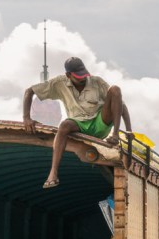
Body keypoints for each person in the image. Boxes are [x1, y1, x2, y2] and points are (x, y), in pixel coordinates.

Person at [22, 56, 132, 189]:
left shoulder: (97, 82)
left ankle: (114, 135)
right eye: (78, 77)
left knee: (115, 89)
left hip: (100, 122)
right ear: (68, 75)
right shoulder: (59, 83)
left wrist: (128, 130)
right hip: (78, 123)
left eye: (84, 75)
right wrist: (26, 118)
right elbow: (29, 92)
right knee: (64, 126)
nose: (83, 79)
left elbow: (121, 105)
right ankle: (53, 173)